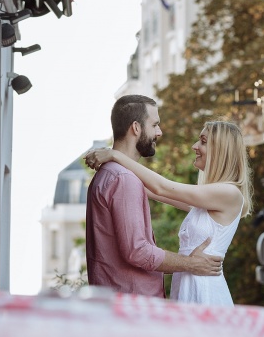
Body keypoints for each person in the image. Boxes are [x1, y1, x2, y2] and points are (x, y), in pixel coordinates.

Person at [85, 118, 253, 306]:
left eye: (203, 141)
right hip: (188, 285)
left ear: (221, 150)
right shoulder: (209, 199)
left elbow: (162, 187)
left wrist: (114, 155)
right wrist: (112, 168)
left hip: (205, 291)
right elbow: (151, 190)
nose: (194, 146)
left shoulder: (229, 193)